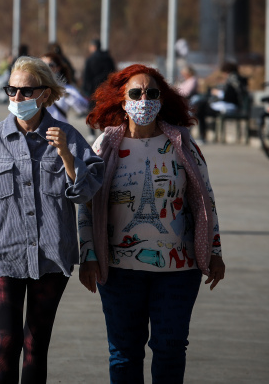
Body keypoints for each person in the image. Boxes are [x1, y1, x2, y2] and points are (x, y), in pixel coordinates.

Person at [0, 56, 104, 384]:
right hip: (2, 254)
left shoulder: (68, 136)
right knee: (7, 339)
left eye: (25, 91)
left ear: (44, 94)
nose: (17, 98)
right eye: (12, 91)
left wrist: (66, 155)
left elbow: (87, 192)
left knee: (36, 343)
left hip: (51, 257)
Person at [78, 63, 225, 384]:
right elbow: (87, 207)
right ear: (121, 99)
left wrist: (215, 250)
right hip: (118, 271)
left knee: (171, 348)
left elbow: (205, 200)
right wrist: (88, 255)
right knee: (123, 353)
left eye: (152, 93)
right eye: (136, 93)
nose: (144, 99)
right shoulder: (105, 146)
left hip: (178, 271)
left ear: (163, 99)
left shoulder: (181, 143)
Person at [195, 62, 247, 142]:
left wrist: (217, 93)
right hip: (229, 104)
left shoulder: (233, 78)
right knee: (201, 106)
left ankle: (202, 136)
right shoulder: (237, 78)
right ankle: (202, 135)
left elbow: (229, 96)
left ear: (226, 71)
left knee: (201, 108)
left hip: (230, 106)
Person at [41, 52, 89, 123]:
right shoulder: (33, 87)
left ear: (58, 68)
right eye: (42, 65)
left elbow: (84, 107)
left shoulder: (66, 88)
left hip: (59, 131)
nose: (46, 68)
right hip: (38, 131)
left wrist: (68, 96)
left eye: (50, 65)